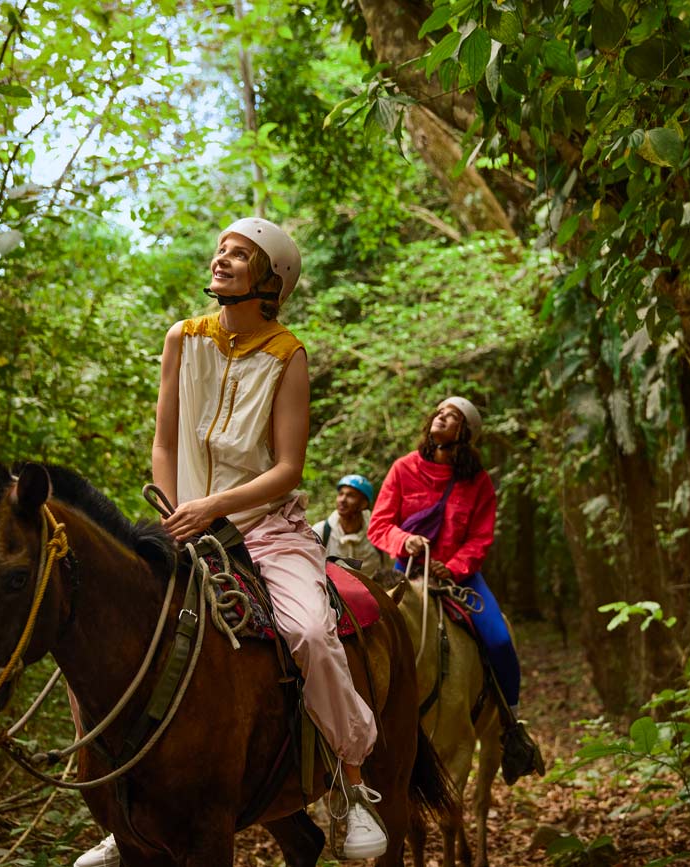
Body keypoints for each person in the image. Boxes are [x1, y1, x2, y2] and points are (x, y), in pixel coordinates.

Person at [75, 218, 385, 867]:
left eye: (240, 254)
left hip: (265, 530)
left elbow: (288, 468)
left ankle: (352, 785)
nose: (222, 258)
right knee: (108, 628)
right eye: (222, 249)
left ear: (269, 280)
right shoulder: (182, 338)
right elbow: (164, 441)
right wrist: (171, 513)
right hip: (180, 523)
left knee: (310, 633)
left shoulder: (288, 354)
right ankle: (121, 802)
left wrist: (213, 506)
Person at [367, 397, 544, 783]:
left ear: (465, 433)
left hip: (459, 579)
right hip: (407, 573)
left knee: (499, 640)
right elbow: (379, 525)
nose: (442, 417)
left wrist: (455, 566)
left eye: (453, 417)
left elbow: (480, 537)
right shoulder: (403, 469)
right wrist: (404, 540)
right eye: (440, 412)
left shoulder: (477, 482)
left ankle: (512, 728)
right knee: (367, 633)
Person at [312, 474, 388, 578]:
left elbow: (389, 569)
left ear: (364, 504)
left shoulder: (378, 533)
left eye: (350, 496)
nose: (342, 500)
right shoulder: (321, 532)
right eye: (340, 494)